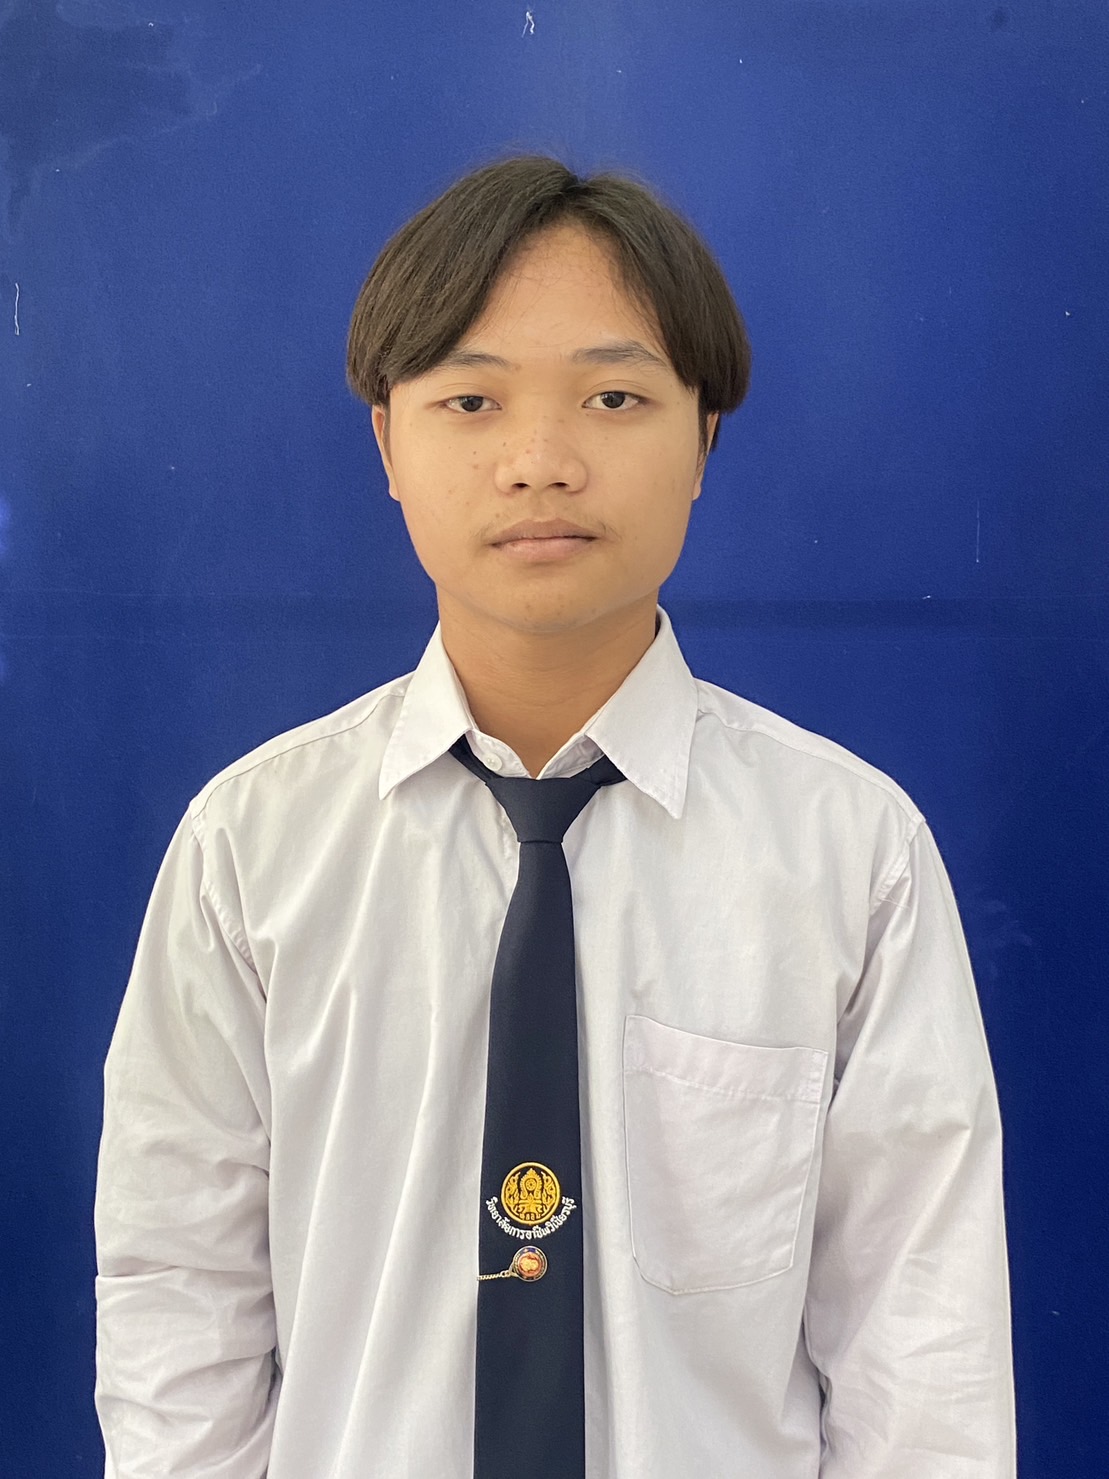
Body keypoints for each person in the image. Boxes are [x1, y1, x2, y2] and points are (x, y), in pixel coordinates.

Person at [93, 153, 1017, 1477]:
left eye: (613, 397)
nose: (540, 462)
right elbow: (179, 1292)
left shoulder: (849, 852)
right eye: (470, 400)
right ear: (387, 444)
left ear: (703, 439)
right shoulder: (250, 850)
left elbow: (919, 1341)